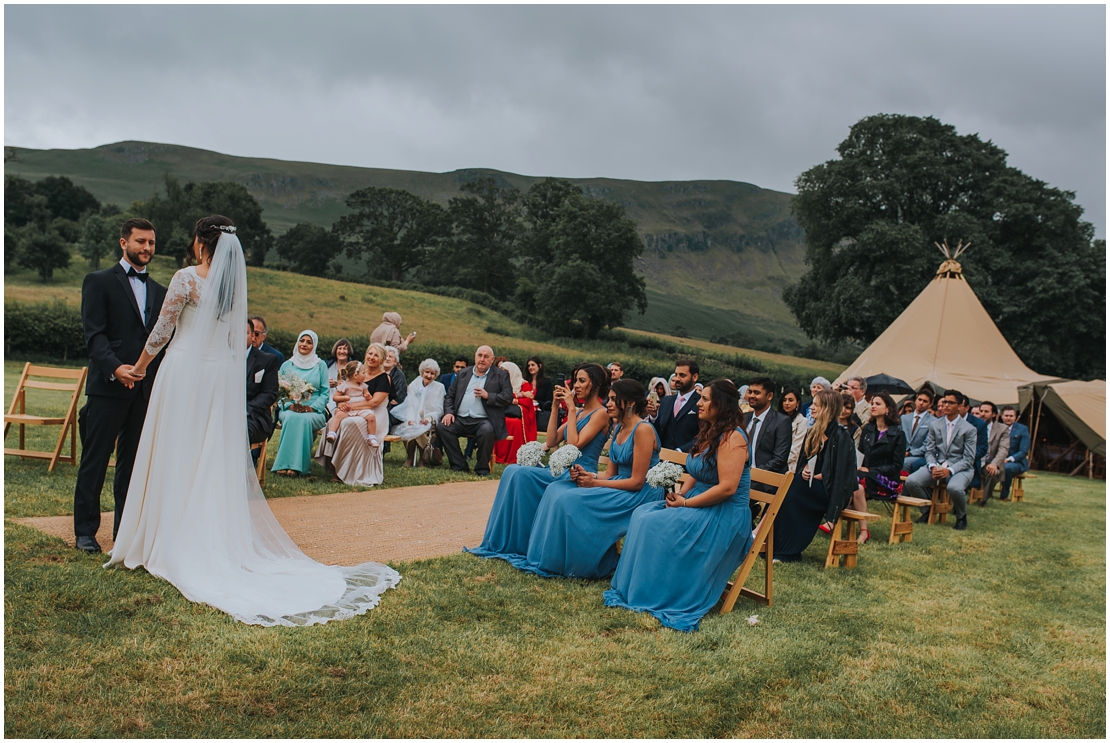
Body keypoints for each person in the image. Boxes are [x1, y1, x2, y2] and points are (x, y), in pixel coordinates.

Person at [106, 215, 399, 626]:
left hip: (183, 372)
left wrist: (138, 368)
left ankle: (163, 538)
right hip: (213, 380)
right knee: (205, 455)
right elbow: (230, 345)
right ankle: (202, 535)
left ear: (200, 243)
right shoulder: (231, 290)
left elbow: (161, 332)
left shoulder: (187, 278)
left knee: (174, 449)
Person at [603, 379, 751, 633]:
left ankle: (659, 591)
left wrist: (686, 502)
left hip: (724, 513)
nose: (699, 403)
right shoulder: (710, 432)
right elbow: (697, 470)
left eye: (705, 399)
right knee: (643, 514)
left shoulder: (733, 438)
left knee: (654, 523)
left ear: (721, 404)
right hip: (698, 502)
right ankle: (640, 586)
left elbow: (727, 488)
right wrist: (679, 496)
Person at [504, 378, 665, 579]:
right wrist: (589, 475)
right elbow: (611, 474)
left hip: (641, 493)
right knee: (557, 491)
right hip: (621, 485)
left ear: (630, 403)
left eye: (614, 400)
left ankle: (581, 564)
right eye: (609, 399)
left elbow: (636, 481)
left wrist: (594, 483)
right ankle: (553, 559)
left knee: (571, 500)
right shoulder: (619, 429)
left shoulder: (643, 430)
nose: (609, 404)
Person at [73, 218, 168, 552]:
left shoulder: (161, 291)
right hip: (107, 387)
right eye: (140, 241)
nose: (147, 248)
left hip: (144, 391)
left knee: (132, 465)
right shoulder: (98, 282)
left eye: (152, 243)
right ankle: (85, 532)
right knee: (95, 460)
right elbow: (94, 336)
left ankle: (124, 533)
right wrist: (116, 368)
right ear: (123, 243)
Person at [466, 363, 610, 561]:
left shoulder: (601, 413)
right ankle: (511, 541)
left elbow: (574, 444)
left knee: (522, 475)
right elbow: (551, 441)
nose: (575, 385)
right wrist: (553, 407)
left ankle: (523, 542)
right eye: (575, 380)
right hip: (560, 469)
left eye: (582, 381)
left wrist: (570, 409)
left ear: (597, 385)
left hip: (579, 474)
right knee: (513, 471)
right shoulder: (579, 412)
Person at [773, 390, 858, 560]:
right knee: (788, 486)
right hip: (809, 484)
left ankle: (788, 551)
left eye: (815, 404)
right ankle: (774, 544)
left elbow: (842, 475)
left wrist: (821, 476)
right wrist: (805, 468)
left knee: (793, 489)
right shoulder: (813, 431)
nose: (810, 407)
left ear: (827, 408)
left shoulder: (841, 437)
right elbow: (803, 461)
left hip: (830, 491)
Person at [316, 343, 393, 486]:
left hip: (374, 415)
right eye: (370, 353)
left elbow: (373, 403)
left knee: (348, 424)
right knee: (334, 421)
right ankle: (336, 465)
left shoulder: (384, 378)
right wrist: (342, 405)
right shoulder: (357, 373)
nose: (372, 357)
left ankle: (341, 471)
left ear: (382, 360)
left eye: (376, 355)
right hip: (354, 410)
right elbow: (343, 394)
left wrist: (349, 407)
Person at [904, 389, 978, 530]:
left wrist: (949, 470)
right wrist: (932, 466)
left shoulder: (969, 429)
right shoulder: (935, 425)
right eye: (944, 402)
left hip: (960, 467)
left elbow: (969, 459)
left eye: (951, 403)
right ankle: (927, 511)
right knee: (911, 481)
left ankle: (961, 516)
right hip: (937, 464)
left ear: (959, 405)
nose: (946, 406)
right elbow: (929, 451)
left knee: (954, 488)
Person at [437, 346, 514, 476]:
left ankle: (482, 468)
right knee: (443, 427)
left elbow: (508, 397)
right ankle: (459, 465)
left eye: (486, 356)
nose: (482, 359)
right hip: (460, 418)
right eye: (480, 355)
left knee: (487, 431)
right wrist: (449, 412)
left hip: (484, 420)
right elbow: (450, 396)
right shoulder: (463, 374)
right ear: (475, 356)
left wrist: (488, 396)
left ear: (492, 359)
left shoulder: (501, 375)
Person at [846, 392, 907, 544]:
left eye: (878, 404)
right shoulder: (868, 429)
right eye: (872, 403)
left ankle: (834, 519)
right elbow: (859, 455)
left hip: (887, 480)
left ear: (888, 409)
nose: (873, 406)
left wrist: (871, 471)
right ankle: (863, 531)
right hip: (864, 476)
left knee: (856, 482)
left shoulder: (898, 434)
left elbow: (896, 466)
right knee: (856, 486)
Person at [271, 331, 330, 477]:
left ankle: (298, 467)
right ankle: (284, 464)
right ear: (297, 342)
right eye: (302, 340)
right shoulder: (287, 364)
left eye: (309, 342)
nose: (304, 344)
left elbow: (325, 392)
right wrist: (289, 405)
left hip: (314, 411)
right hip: (289, 407)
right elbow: (277, 391)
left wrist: (312, 407)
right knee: (292, 417)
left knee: (303, 420)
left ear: (314, 345)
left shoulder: (320, 365)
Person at [390, 358, 446, 467]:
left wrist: (428, 419)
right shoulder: (414, 385)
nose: (429, 376)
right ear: (422, 372)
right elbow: (409, 404)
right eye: (427, 372)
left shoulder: (440, 387)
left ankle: (422, 459)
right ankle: (410, 457)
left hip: (429, 419)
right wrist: (410, 419)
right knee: (410, 427)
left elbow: (439, 408)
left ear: (436, 375)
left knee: (423, 429)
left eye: (432, 373)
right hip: (414, 417)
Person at [742, 376, 792, 478]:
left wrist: (754, 475)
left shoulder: (781, 422)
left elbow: (779, 459)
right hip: (740, 477)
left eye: (756, 393)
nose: (751, 396)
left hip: (764, 481)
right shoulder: (744, 418)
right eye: (750, 392)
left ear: (769, 396)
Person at [649, 360, 701, 453]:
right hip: (661, 457)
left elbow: (704, 435)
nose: (677, 378)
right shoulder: (666, 400)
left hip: (687, 459)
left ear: (695, 377)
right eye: (676, 374)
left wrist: (681, 451)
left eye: (682, 375)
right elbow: (658, 431)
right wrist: (653, 417)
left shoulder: (701, 402)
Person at [246, 320, 280, 459]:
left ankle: (238, 475)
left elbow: (270, 393)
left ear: (252, 335)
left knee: (238, 431)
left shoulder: (268, 360)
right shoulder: (222, 357)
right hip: (222, 414)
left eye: (245, 333)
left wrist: (245, 409)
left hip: (254, 418)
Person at [493, 361, 535, 464]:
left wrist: (512, 399)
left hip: (518, 416)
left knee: (515, 424)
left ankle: (512, 457)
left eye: (505, 372)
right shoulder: (499, 383)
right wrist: (521, 395)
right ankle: (497, 455)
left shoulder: (524, 384)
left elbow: (528, 402)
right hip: (502, 413)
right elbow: (497, 396)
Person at [324, 362, 375, 445]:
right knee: (338, 415)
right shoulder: (345, 385)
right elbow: (335, 397)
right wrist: (344, 398)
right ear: (355, 375)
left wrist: (368, 396)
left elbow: (370, 398)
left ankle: (371, 437)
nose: (365, 375)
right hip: (347, 409)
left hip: (360, 409)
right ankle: (332, 433)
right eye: (363, 373)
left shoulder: (363, 386)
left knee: (371, 417)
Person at [976, 401, 1010, 506]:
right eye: (981, 411)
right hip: (974, 459)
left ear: (994, 414)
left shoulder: (1002, 429)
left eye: (986, 411)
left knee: (992, 472)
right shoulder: (972, 425)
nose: (982, 414)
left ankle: (984, 500)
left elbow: (1003, 449)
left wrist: (994, 463)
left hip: (989, 461)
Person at [997, 406, 1030, 501]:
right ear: (1002, 416)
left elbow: (1023, 451)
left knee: (1007, 468)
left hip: (1016, 462)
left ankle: (1004, 496)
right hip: (998, 459)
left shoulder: (1022, 429)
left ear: (1015, 417)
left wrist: (1008, 459)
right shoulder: (996, 428)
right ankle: (983, 492)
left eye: (1011, 416)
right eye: (1006, 415)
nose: (1008, 418)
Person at [959, 394, 990, 492]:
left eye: (959, 405)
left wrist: (965, 458)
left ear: (967, 408)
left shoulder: (979, 424)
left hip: (969, 460)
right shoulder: (942, 421)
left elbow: (982, 448)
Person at [902, 388, 935, 473]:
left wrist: (909, 453)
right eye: (919, 399)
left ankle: (904, 486)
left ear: (930, 404)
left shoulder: (933, 421)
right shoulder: (904, 418)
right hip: (901, 452)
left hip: (920, 455)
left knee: (905, 462)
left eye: (925, 401)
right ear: (915, 400)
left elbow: (927, 445)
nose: (921, 403)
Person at [779, 387, 809, 473]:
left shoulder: (802, 421)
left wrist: (779, 461)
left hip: (788, 465)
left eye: (791, 400)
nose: (787, 403)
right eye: (784, 400)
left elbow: (796, 449)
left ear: (797, 403)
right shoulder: (776, 418)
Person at [526, 357, 554, 431]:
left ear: (540, 366)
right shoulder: (525, 381)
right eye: (529, 366)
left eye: (532, 365)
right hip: (526, 412)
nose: (530, 367)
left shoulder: (547, 382)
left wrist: (537, 402)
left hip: (539, 414)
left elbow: (549, 402)